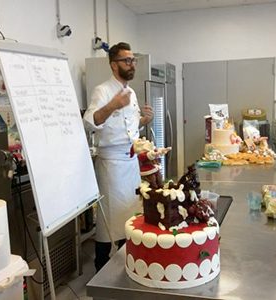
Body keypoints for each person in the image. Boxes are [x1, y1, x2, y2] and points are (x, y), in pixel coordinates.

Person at [83, 42, 153, 272]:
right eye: (127, 60)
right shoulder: (102, 91)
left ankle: (128, 265)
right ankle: (101, 270)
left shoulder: (130, 92)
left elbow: (128, 127)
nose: (132, 64)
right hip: (111, 165)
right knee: (109, 225)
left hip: (131, 163)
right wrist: (113, 104)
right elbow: (90, 121)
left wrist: (143, 121)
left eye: (133, 60)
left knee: (131, 216)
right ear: (114, 65)